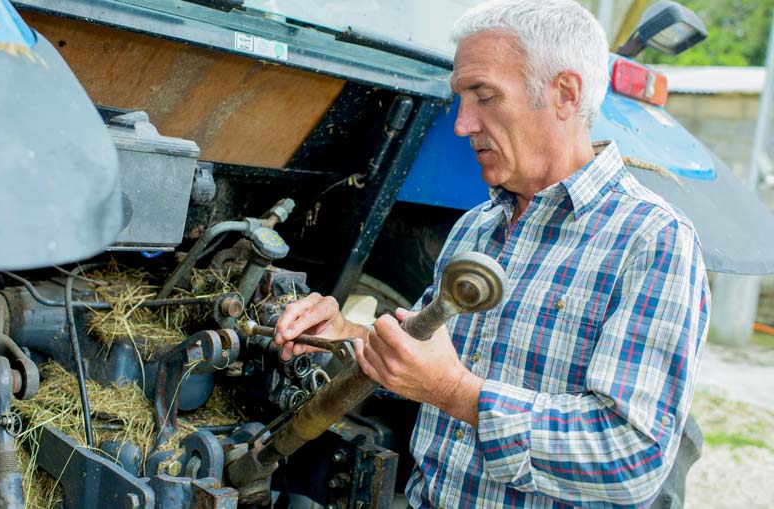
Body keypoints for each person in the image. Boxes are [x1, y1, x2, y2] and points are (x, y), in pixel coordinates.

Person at [275, 0, 711, 507]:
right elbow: (419, 361)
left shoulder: (652, 241)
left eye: (484, 96)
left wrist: (455, 393)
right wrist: (341, 337)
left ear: (565, 94)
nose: (462, 125)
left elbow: (629, 458)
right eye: (461, 98)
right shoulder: (475, 230)